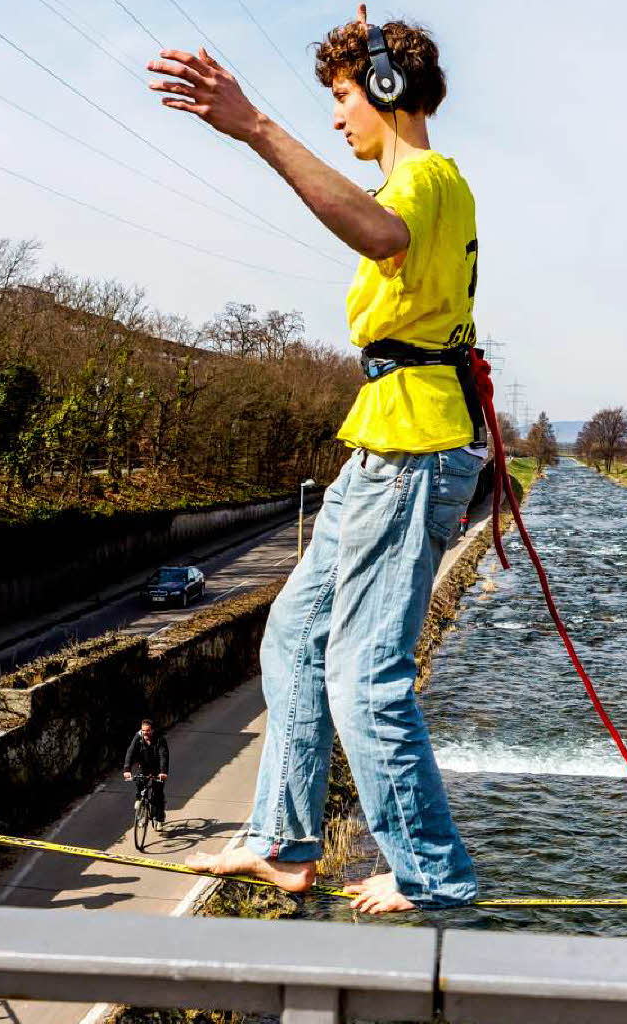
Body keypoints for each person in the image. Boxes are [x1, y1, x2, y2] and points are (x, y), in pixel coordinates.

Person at [147, 4, 483, 913]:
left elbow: (379, 237)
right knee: (294, 634)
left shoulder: (422, 184)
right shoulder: (421, 186)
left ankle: (431, 872)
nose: (338, 117)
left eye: (344, 97)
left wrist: (254, 126)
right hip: (383, 442)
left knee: (361, 676)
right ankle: (283, 840)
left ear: (388, 90)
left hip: (412, 449)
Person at [123, 720, 169, 828]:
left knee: (157, 792)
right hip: (144, 767)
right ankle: (141, 806)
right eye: (143, 731)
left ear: (152, 730)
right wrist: (127, 769)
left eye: (148, 731)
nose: (145, 733)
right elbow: (130, 752)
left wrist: (163, 772)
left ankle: (159, 818)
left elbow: (164, 756)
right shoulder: (138, 737)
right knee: (139, 783)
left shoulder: (160, 739)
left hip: (157, 768)